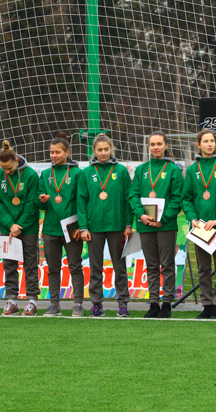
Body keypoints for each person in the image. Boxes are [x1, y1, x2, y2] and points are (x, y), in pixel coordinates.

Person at [78, 134, 134, 318]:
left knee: (120, 266)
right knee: (95, 267)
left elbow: (128, 199)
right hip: (94, 228)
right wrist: (83, 227)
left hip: (117, 226)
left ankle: (123, 304)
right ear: (94, 151)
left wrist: (128, 224)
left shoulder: (121, 171)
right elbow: (81, 201)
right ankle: (96, 304)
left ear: (111, 149)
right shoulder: (86, 173)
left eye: (106, 149)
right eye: (99, 150)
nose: (103, 153)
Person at [129, 131, 183, 318]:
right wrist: (141, 215)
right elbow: (134, 195)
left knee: (167, 264)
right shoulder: (141, 170)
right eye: (152, 144)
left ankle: (166, 303)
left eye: (159, 144)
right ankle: (153, 303)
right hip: (145, 225)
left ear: (166, 145)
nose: (156, 147)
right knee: (151, 265)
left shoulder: (173, 170)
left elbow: (177, 198)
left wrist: (163, 218)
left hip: (165, 226)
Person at [181, 129, 216, 319]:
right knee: (203, 268)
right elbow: (186, 198)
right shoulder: (192, 170)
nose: (209, 144)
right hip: (200, 228)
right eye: (205, 141)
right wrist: (193, 218)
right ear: (198, 145)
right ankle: (207, 304)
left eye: (212, 141)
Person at [0, 140, 41, 317]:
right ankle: (12, 300)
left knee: (30, 264)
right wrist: (10, 224)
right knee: (9, 264)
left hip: (28, 227)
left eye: (10, 168)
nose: (6, 172)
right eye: (3, 168)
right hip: (8, 227)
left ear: (16, 160)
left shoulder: (30, 175)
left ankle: (32, 301)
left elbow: (31, 203)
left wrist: (19, 225)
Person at [38, 132, 85, 317]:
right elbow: (40, 204)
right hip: (50, 228)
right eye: (51, 152)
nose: (54, 155)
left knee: (75, 266)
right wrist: (42, 200)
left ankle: (78, 304)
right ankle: (54, 304)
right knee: (53, 269)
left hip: (71, 228)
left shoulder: (77, 173)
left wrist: (81, 226)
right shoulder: (45, 174)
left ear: (67, 152)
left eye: (58, 152)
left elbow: (82, 201)